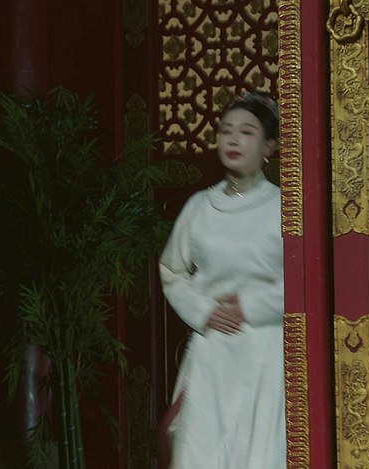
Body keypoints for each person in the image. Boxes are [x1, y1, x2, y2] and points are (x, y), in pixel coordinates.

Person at [158, 91, 286, 469]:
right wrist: (204, 310)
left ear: (269, 147)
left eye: (246, 132)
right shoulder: (200, 207)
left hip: (266, 350)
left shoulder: (285, 207)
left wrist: (251, 306)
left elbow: (305, 280)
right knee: (203, 451)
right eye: (226, 131)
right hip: (213, 350)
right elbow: (172, 270)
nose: (233, 140)